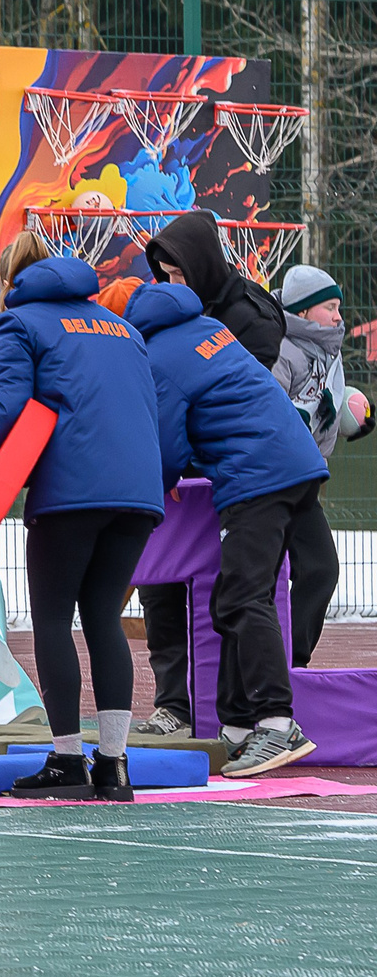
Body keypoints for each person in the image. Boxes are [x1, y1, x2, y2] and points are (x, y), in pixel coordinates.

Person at [0, 231, 163, 801]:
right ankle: (113, 765)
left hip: (71, 491)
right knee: (103, 619)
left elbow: (2, 407)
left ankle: (67, 759)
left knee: (51, 621)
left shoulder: (21, 325)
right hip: (138, 493)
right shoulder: (123, 328)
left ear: (12, 281)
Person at [128, 274, 331, 777]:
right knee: (234, 597)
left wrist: (155, 484)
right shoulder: (209, 331)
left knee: (243, 598)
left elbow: (168, 444)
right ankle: (239, 726)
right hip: (298, 465)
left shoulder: (159, 356)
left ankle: (277, 723)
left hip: (258, 477)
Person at [130, 209, 284, 735]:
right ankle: (178, 705)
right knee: (161, 587)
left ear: (201, 264)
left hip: (245, 478)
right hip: (194, 482)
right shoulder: (167, 329)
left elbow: (231, 402)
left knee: (250, 593)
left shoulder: (248, 316)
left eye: (179, 274)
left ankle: (269, 705)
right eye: (165, 276)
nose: (173, 285)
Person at [272, 263, 364, 667]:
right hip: (272, 482)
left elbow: (332, 402)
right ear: (305, 311)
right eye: (330, 307)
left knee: (321, 569)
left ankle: (293, 661)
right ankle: (262, 666)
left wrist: (352, 420)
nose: (339, 316)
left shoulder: (331, 351)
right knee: (258, 582)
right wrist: (304, 416)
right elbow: (269, 411)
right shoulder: (280, 348)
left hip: (306, 479)